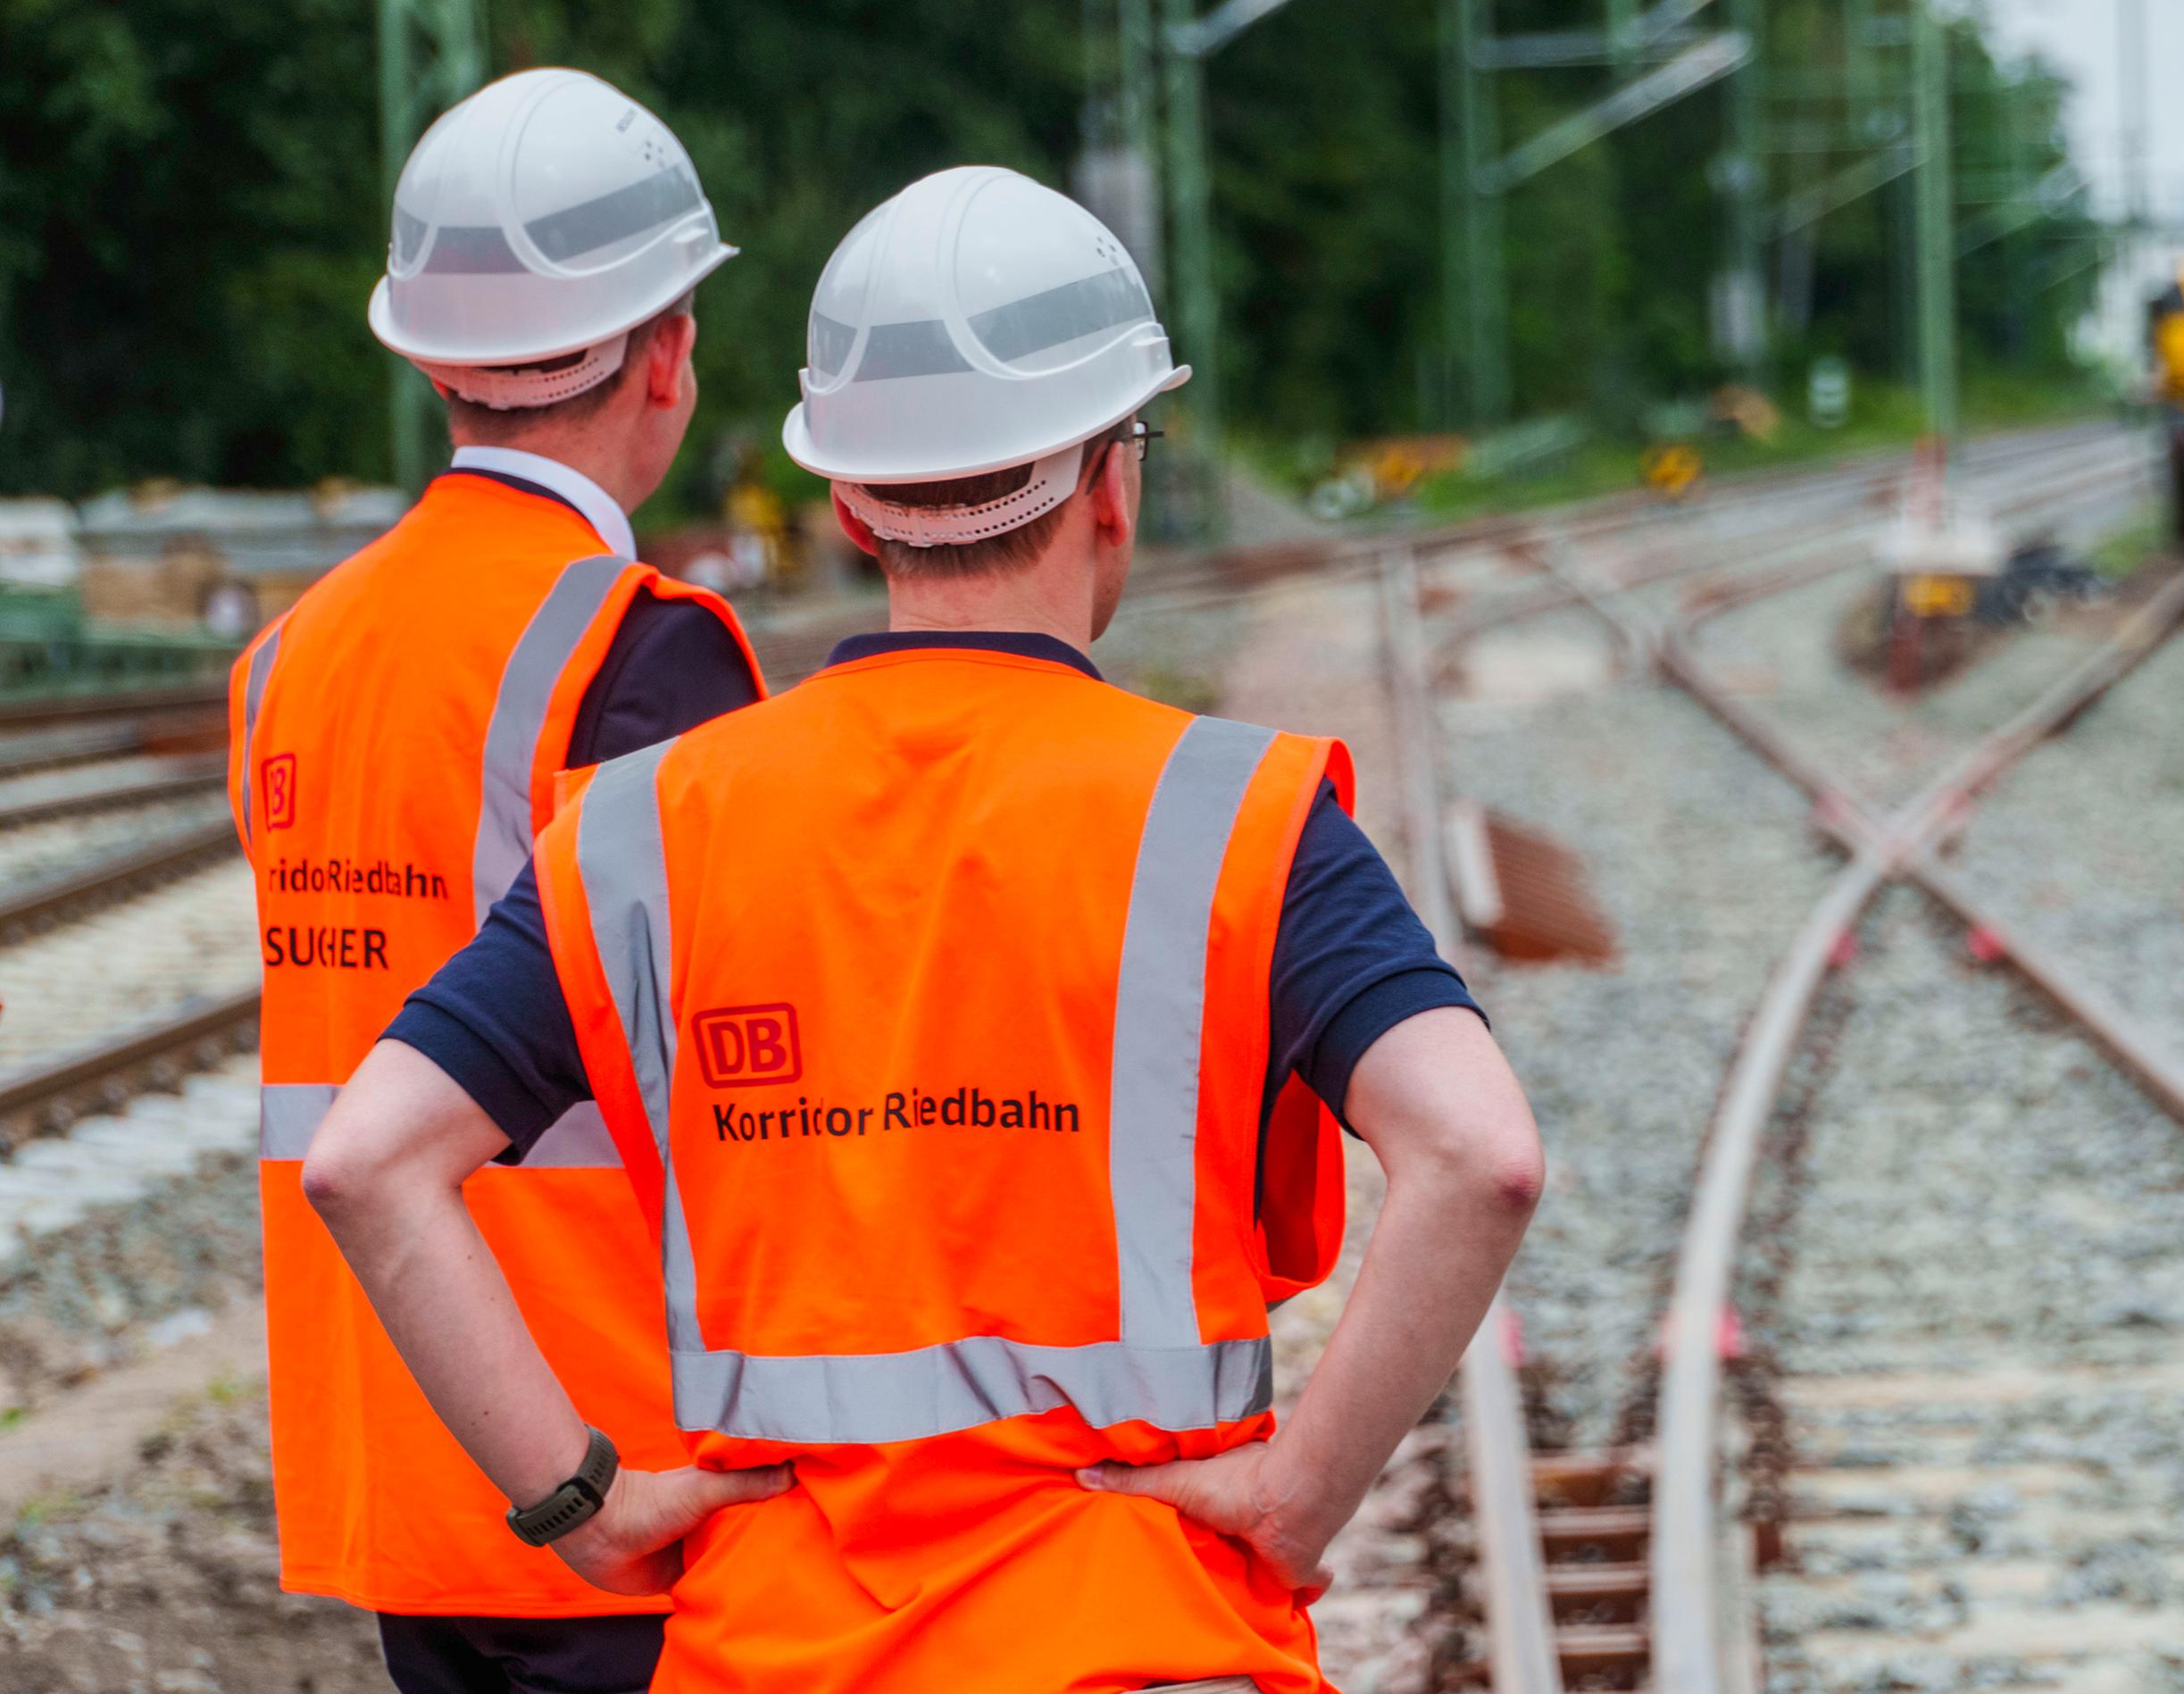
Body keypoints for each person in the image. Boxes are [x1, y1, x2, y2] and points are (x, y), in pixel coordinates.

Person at [300, 165, 1544, 1691]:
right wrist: (1298, 1500)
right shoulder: (1238, 818)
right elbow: (1480, 1157)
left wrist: (585, 1508)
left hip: (771, 1654)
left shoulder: (639, 829)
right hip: (1141, 1643)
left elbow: (367, 1162)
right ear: (1110, 484)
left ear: (846, 502)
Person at [236, 67, 765, 1692]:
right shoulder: (639, 653)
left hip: (407, 1458)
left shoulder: (285, 658)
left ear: (427, 357)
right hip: (616, 1465)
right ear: (667, 351)